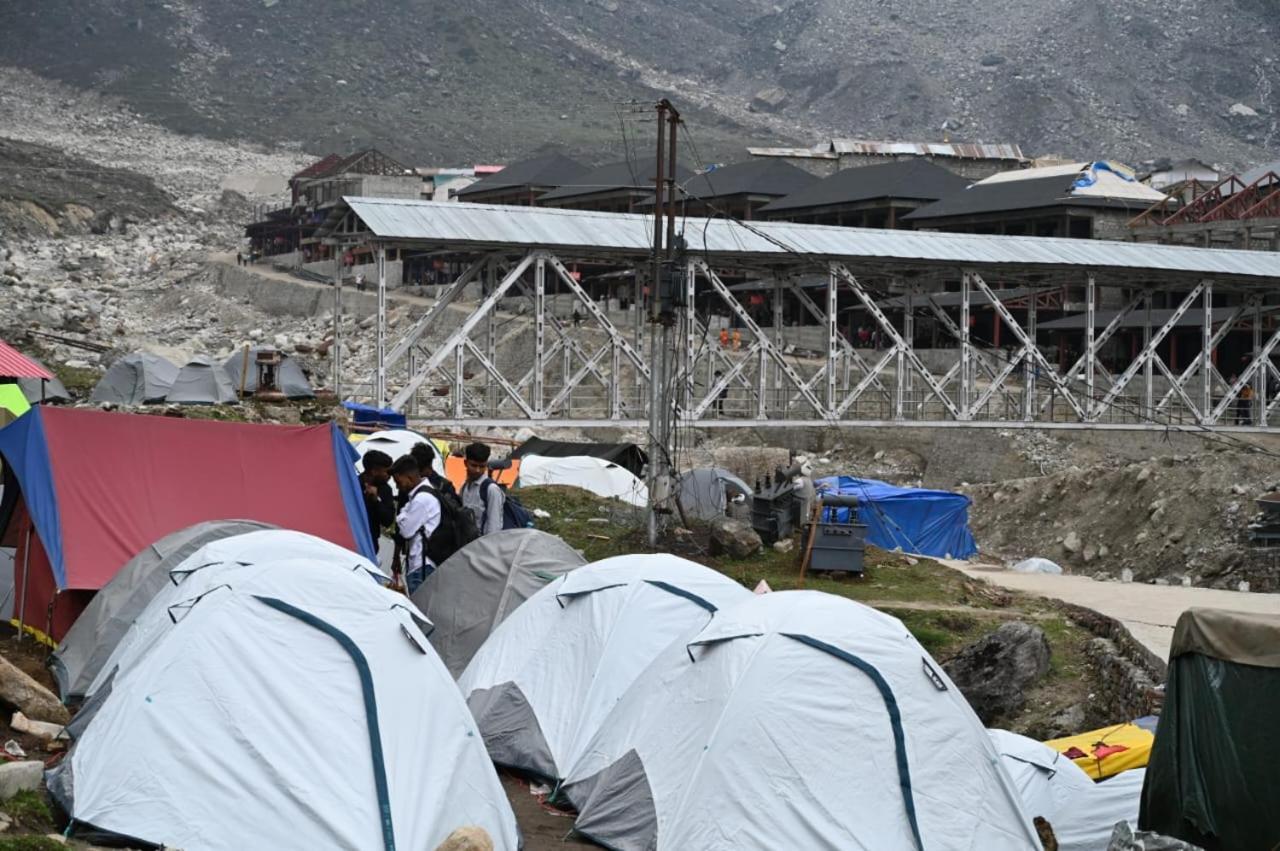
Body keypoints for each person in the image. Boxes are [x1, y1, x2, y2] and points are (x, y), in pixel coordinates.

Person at [390, 455, 440, 594]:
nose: (398, 486)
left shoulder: (421, 500)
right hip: (422, 563)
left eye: (399, 482)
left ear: (409, 477)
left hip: (421, 565)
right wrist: (405, 514)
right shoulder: (424, 493)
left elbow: (405, 530)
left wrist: (401, 515)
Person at [460, 442, 505, 536]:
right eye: (474, 465)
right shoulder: (464, 487)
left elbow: (494, 527)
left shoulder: (491, 490)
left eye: (482, 466)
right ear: (465, 463)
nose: (477, 470)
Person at [360, 450, 396, 555]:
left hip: (371, 542)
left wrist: (376, 500)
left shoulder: (385, 489)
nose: (390, 476)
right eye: (387, 472)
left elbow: (388, 519)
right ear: (374, 471)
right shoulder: (354, 484)